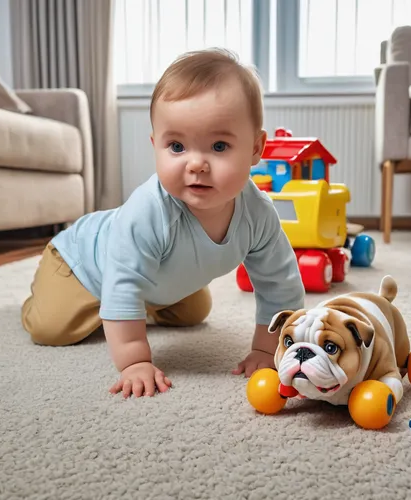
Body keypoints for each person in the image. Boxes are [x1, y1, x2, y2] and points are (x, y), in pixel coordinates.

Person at [21, 48, 305, 399]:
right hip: (82, 262)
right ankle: (49, 293)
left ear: (256, 148)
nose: (196, 163)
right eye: (176, 146)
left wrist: (266, 350)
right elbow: (123, 285)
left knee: (195, 311)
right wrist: (134, 361)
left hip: (155, 276)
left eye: (219, 146)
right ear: (155, 145)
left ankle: (135, 307)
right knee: (51, 327)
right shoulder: (150, 210)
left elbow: (281, 285)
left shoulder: (258, 214)